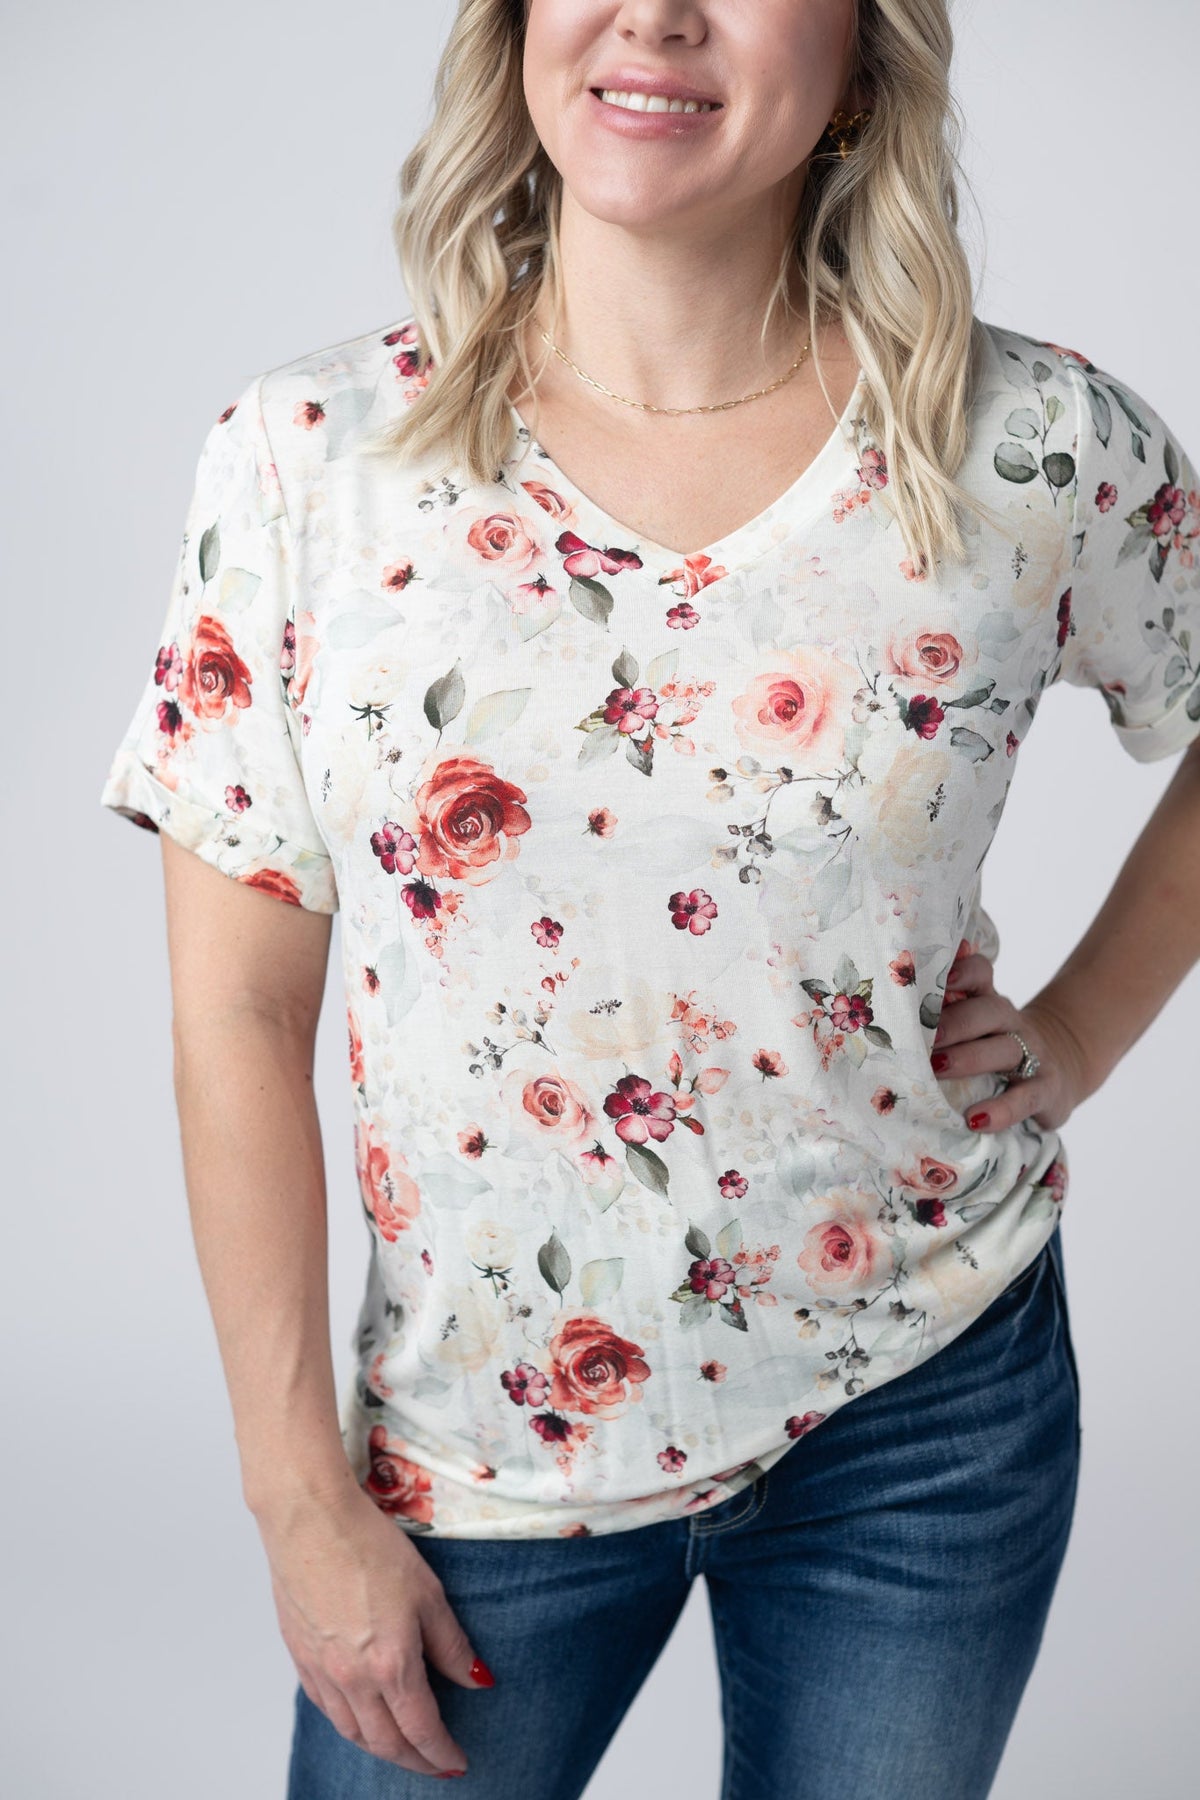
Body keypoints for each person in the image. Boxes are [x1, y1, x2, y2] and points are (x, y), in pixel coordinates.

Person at [98, 2, 1200, 1795]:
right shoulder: (313, 461)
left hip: (926, 1408)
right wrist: (299, 1493)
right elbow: (239, 1009)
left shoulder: (1027, 449)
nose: (661, 14)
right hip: (479, 1455)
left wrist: (1079, 1030)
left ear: (859, 53)